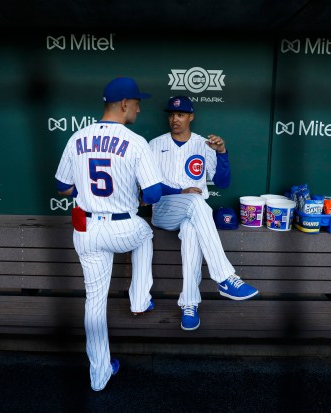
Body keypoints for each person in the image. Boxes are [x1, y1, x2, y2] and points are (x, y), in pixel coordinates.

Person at [55, 77, 163, 391]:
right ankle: (140, 298)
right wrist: (140, 197)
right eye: (137, 103)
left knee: (94, 303)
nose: (140, 109)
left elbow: (62, 188)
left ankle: (99, 374)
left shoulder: (77, 138)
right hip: (122, 226)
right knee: (145, 235)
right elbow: (154, 193)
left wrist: (84, 191)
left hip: (86, 228)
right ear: (125, 104)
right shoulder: (135, 141)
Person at [148, 95, 259, 331]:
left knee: (190, 230)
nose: (174, 119)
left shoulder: (203, 144)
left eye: (180, 114)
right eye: (171, 114)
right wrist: (181, 190)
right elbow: (149, 188)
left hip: (193, 215)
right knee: (196, 201)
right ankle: (225, 277)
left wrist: (221, 153)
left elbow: (223, 182)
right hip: (165, 209)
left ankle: (189, 305)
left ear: (191, 117)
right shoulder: (154, 145)